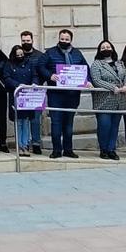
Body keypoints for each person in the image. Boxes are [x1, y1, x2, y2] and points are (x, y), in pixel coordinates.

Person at [42, 29, 90, 159]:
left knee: (69, 124)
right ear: (59, 38)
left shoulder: (77, 53)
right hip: (56, 95)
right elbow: (41, 66)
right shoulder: (50, 53)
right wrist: (49, 75)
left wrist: (88, 81)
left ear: (71, 40)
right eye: (62, 39)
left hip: (72, 95)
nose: (64, 41)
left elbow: (86, 69)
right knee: (56, 123)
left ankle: (68, 149)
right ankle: (57, 150)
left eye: (66, 39)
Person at [89, 40, 126, 160]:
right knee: (104, 125)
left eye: (108, 46)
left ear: (112, 49)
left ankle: (112, 149)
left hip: (119, 100)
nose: (106, 48)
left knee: (115, 126)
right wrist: (112, 87)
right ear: (99, 50)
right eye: (103, 47)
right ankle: (103, 149)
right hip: (104, 100)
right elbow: (96, 80)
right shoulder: (96, 64)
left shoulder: (119, 63)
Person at [4, 45, 41, 157]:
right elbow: (6, 78)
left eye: (22, 55)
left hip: (28, 95)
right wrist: (17, 85)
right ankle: (20, 145)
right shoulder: (9, 64)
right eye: (18, 55)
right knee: (18, 121)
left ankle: (25, 145)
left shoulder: (29, 63)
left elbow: (34, 75)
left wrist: (34, 83)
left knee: (26, 121)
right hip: (16, 95)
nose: (20, 56)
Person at [19, 31, 47, 154]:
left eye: (28, 41)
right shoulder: (18, 55)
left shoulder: (40, 56)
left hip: (36, 92)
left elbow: (45, 71)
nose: (26, 43)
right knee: (23, 120)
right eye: (23, 41)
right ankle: (23, 144)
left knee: (36, 119)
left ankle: (36, 143)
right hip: (22, 92)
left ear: (32, 40)